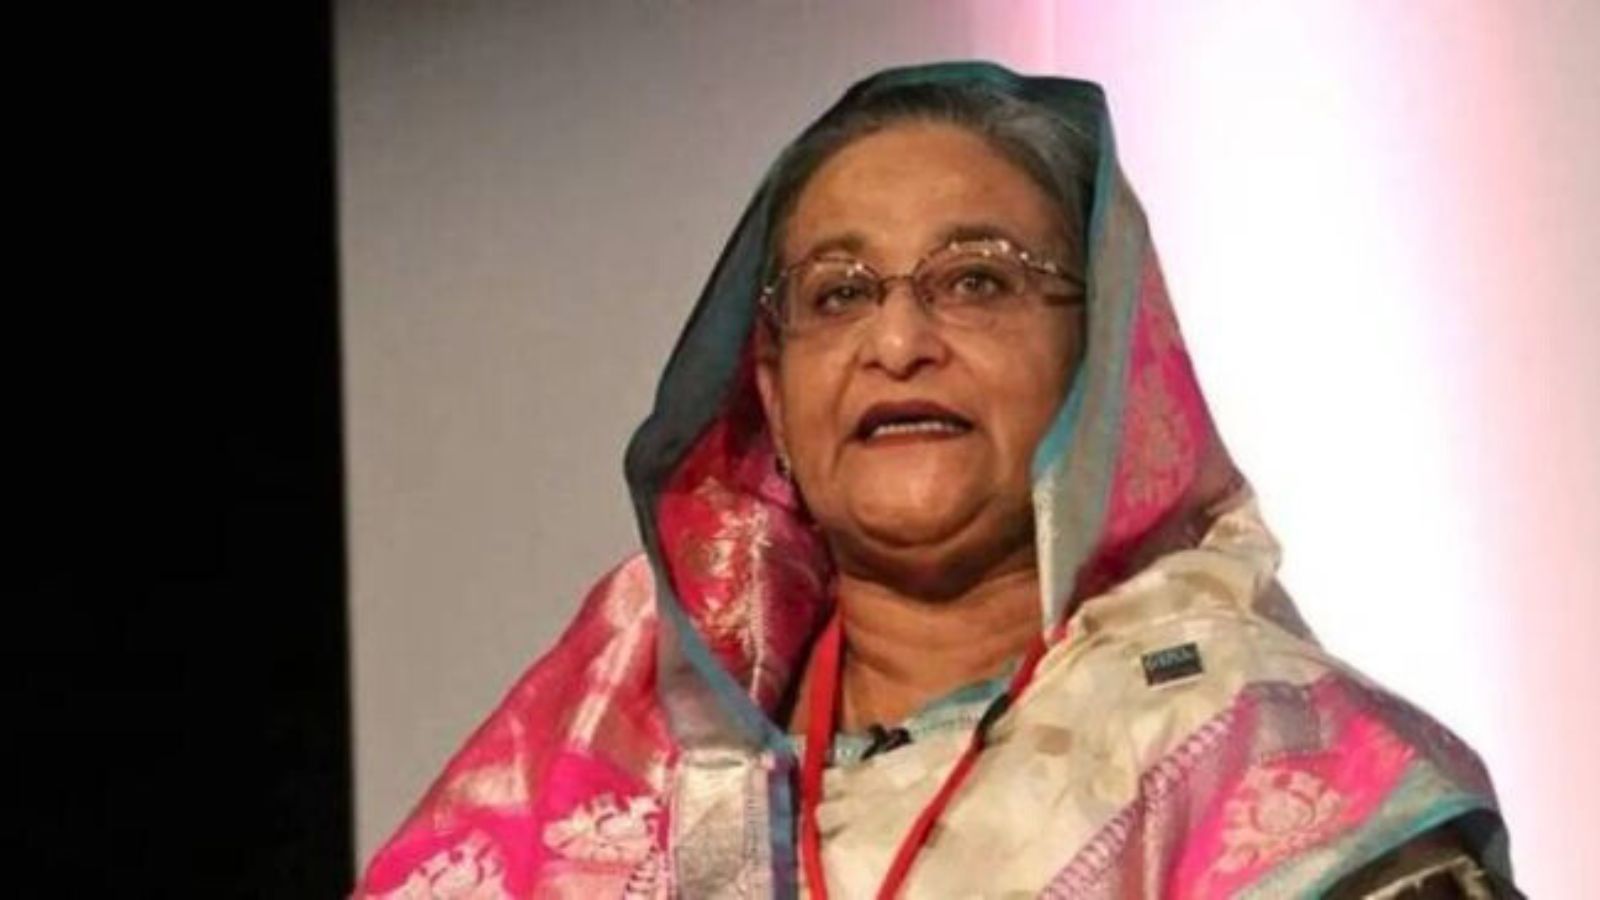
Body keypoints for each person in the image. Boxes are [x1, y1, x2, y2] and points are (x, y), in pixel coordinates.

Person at [354, 62, 1518, 898]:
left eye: (976, 280)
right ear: (772, 392)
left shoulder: (1266, 758)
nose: (898, 341)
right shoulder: (616, 732)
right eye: (837, 294)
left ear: (1101, 362)